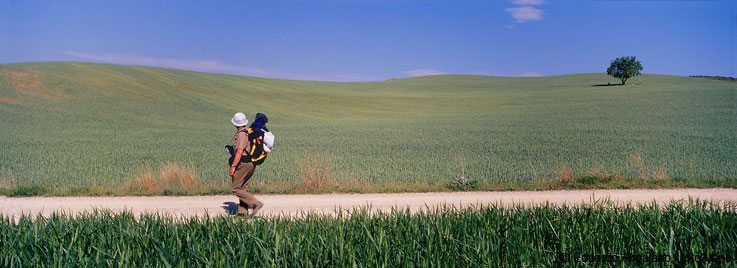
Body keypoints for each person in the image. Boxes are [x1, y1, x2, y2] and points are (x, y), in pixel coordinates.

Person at [229, 112, 264, 217]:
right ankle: (242, 213)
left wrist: (233, 166)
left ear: (235, 124)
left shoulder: (241, 134)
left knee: (235, 188)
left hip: (243, 163)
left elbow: (239, 151)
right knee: (243, 188)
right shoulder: (249, 132)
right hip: (251, 163)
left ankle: (255, 203)